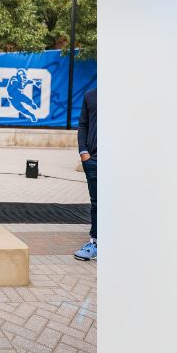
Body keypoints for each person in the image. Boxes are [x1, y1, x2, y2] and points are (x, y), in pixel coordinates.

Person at [74, 87, 97, 261]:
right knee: (97, 203)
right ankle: (95, 243)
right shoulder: (90, 95)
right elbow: (83, 125)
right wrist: (84, 152)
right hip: (94, 160)